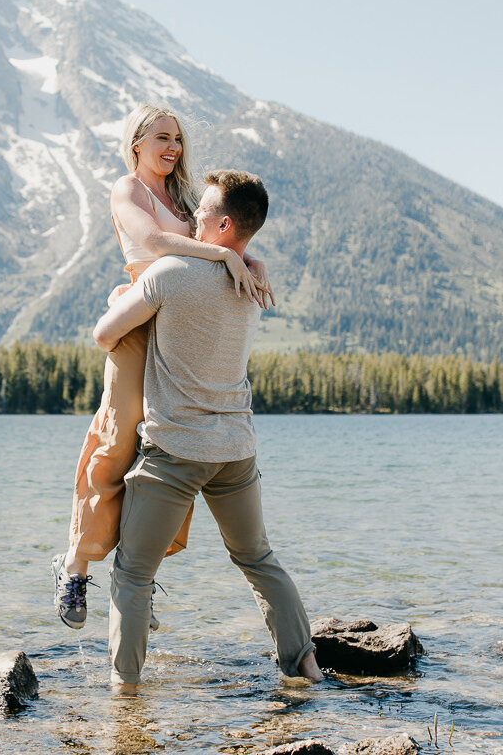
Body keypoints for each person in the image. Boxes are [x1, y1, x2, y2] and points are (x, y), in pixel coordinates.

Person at [91, 169, 323, 693]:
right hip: (236, 450)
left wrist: (117, 300)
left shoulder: (172, 271)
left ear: (221, 224)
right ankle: (306, 667)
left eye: (199, 214)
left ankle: (124, 693)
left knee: (133, 573)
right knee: (258, 559)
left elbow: (104, 335)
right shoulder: (252, 279)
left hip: (175, 450)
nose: (189, 219)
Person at [52, 105, 273, 630]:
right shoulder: (127, 190)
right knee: (116, 443)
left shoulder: (186, 197)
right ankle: (76, 566)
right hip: (135, 325)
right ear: (136, 143)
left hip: (176, 330)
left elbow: (225, 234)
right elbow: (152, 244)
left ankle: (138, 577)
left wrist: (250, 258)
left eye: (177, 138)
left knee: (170, 447)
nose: (172, 147)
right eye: (161, 138)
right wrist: (223, 258)